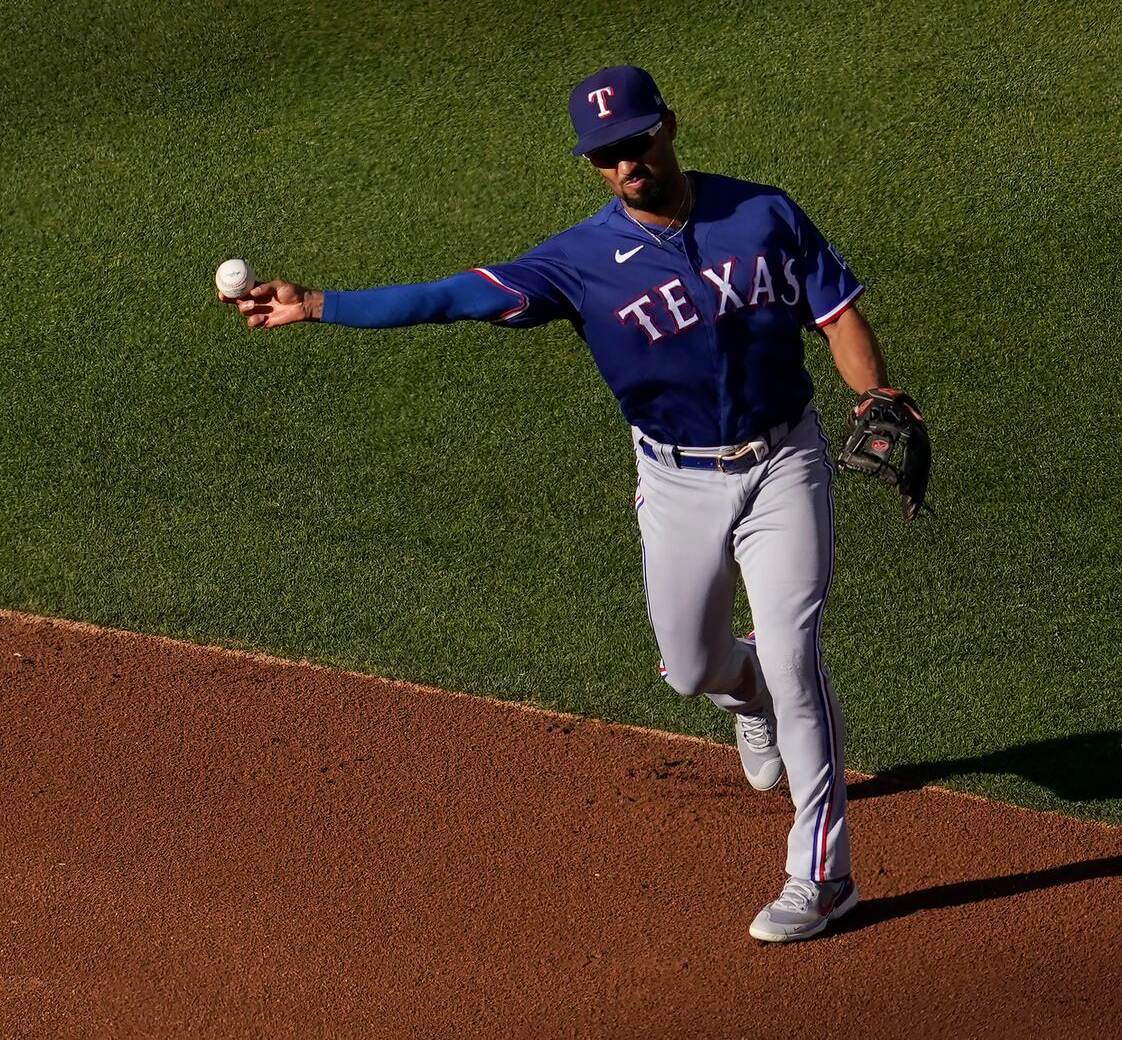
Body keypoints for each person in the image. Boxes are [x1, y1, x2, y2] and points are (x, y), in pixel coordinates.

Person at [220, 65, 911, 944]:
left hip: (785, 461)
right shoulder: (579, 262)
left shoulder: (762, 212)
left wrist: (876, 396)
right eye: (604, 156)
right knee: (696, 668)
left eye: (634, 142)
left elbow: (839, 315)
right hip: (675, 480)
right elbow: (454, 297)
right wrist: (319, 303)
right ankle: (749, 698)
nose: (623, 165)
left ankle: (823, 877)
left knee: (794, 653)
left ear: (667, 125)